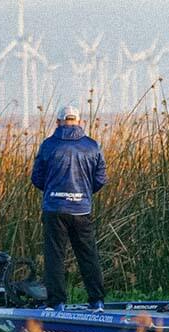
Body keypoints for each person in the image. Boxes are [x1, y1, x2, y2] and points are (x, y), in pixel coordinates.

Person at [31, 105, 107, 311]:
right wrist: (82, 194)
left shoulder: (48, 146)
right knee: (88, 255)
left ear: (58, 122)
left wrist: (53, 191)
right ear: (79, 121)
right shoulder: (92, 146)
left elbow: (37, 178)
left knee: (55, 256)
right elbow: (100, 179)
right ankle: (97, 301)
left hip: (54, 209)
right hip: (82, 209)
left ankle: (57, 304)